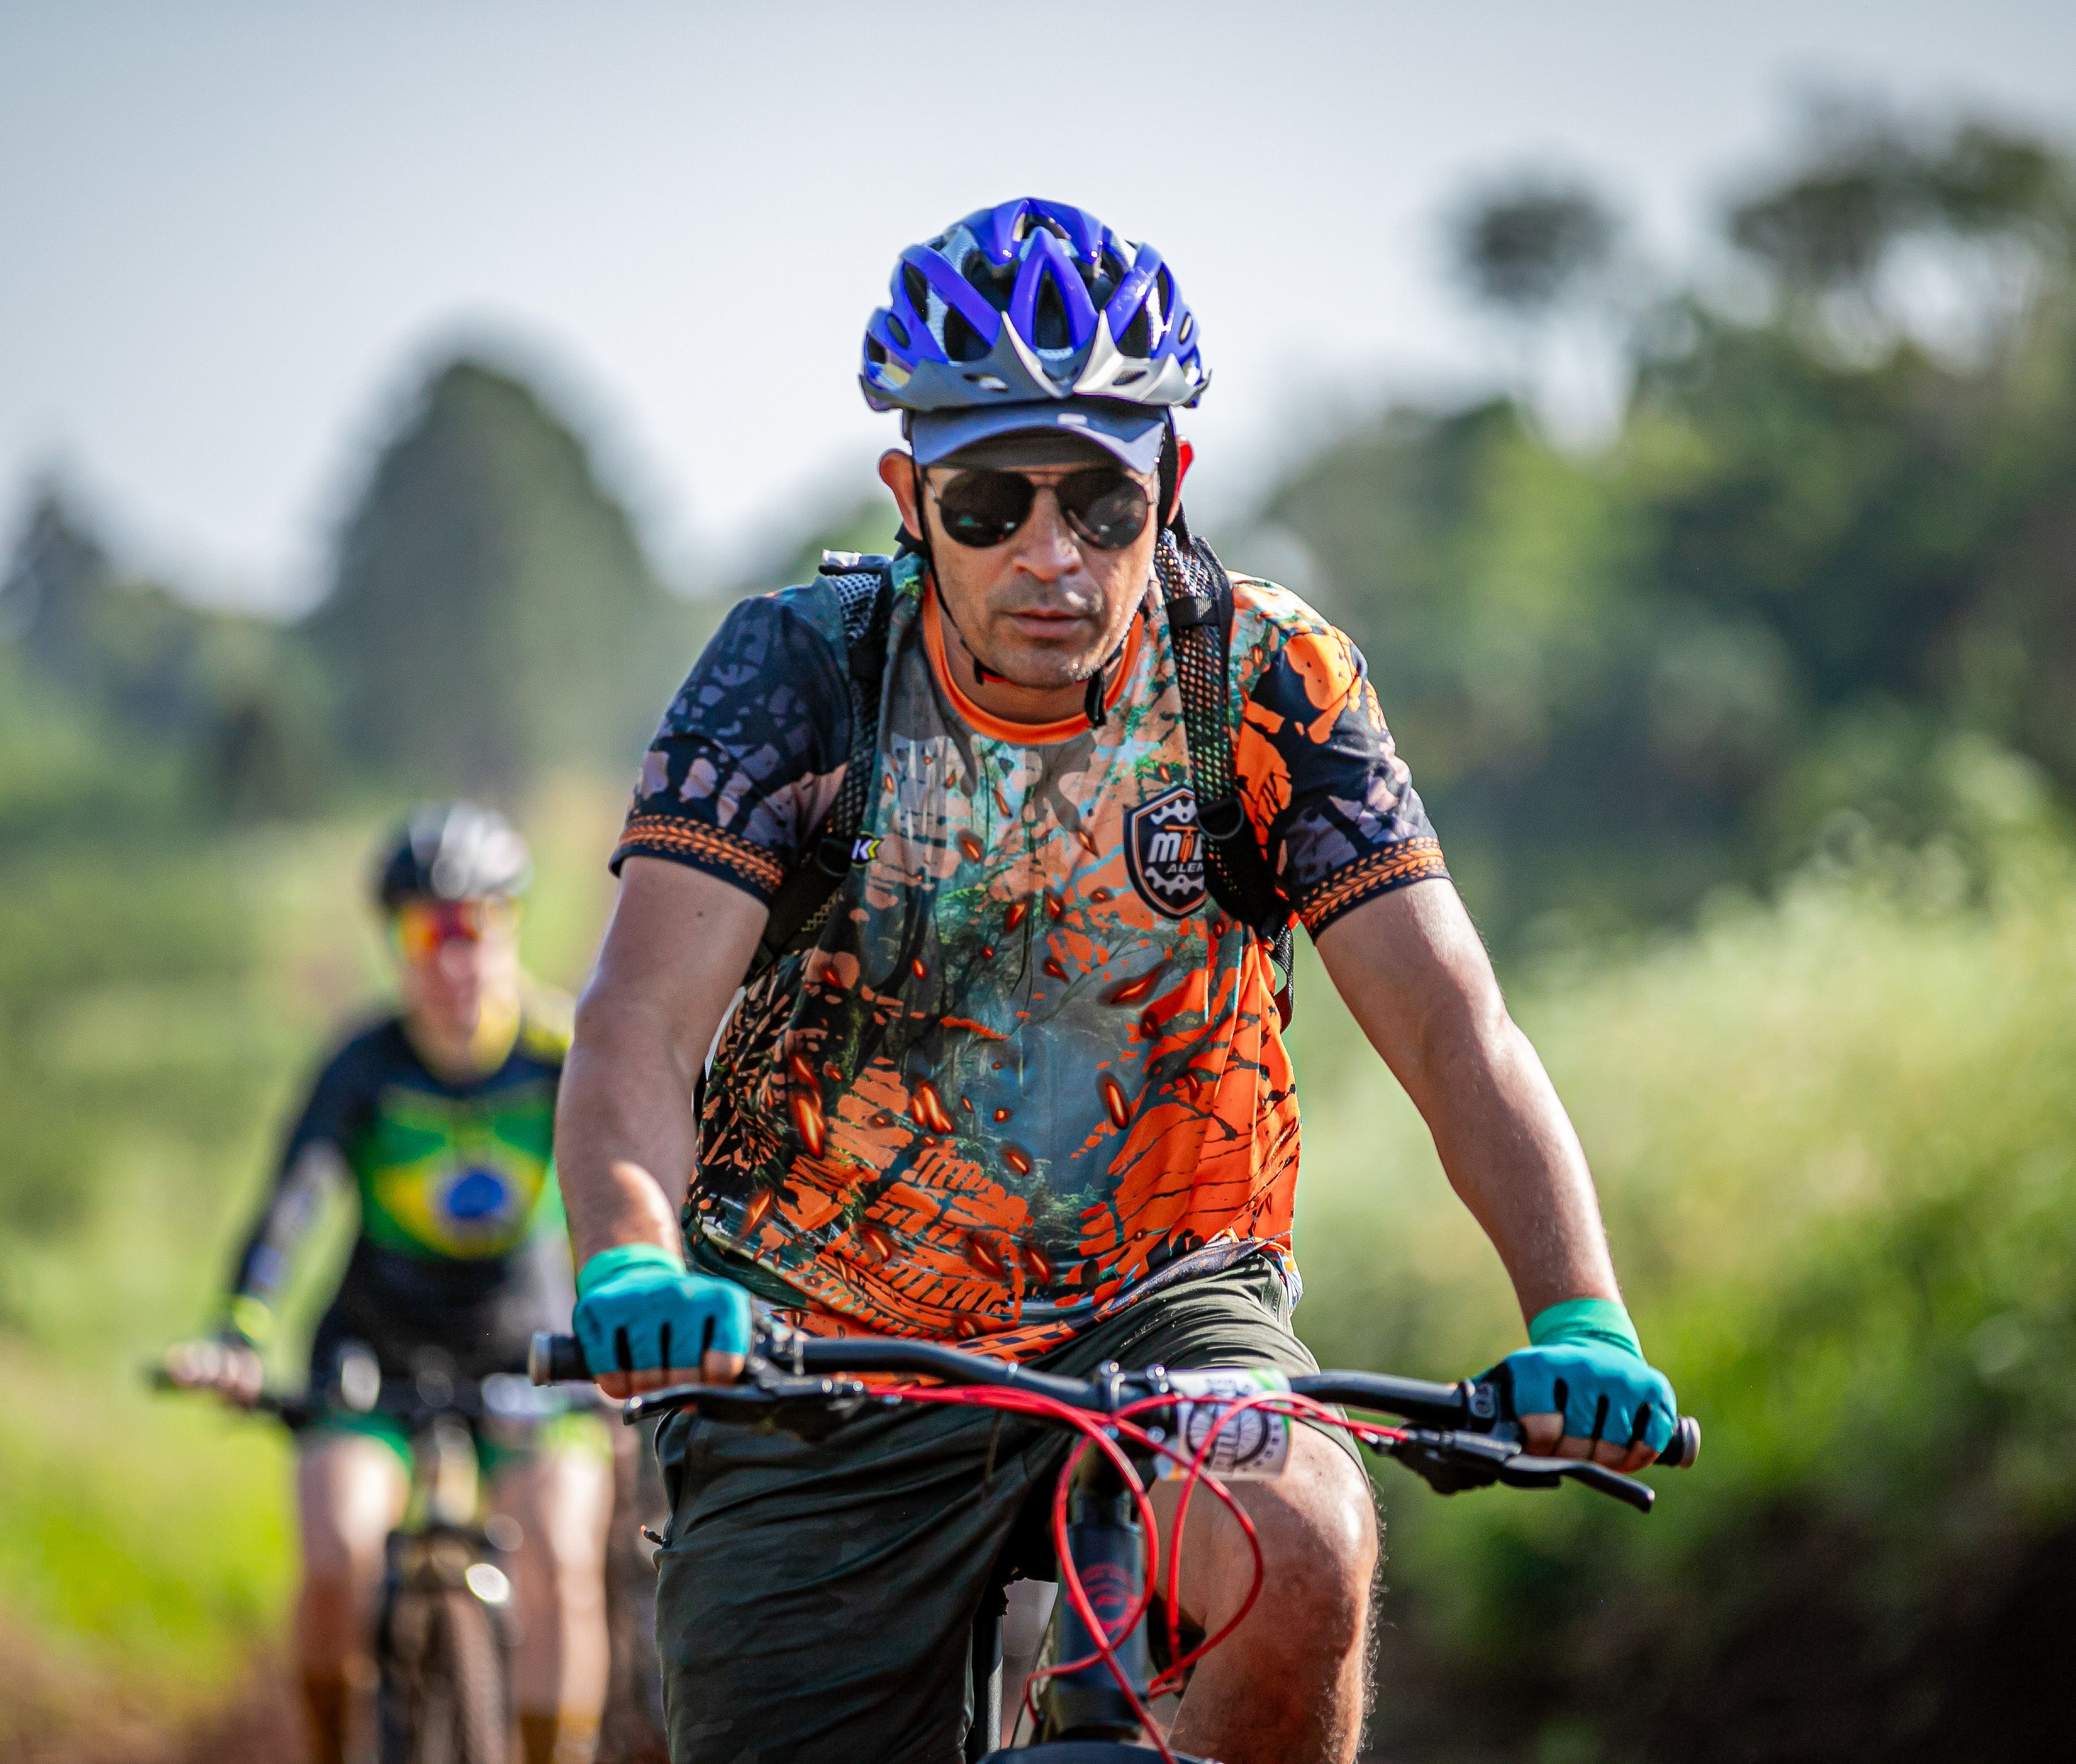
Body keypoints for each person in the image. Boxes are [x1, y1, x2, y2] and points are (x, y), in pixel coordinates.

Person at [553, 198, 1680, 1763]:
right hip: (818, 1353)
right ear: (908, 496)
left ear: (1173, 484)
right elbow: (640, 1021)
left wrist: (1582, 1316)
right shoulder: (792, 677)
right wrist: (629, 1266)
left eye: (1099, 500)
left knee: (1303, 1536)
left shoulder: (1265, 682)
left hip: (1171, 1312)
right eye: (988, 502)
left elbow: (1451, 1026)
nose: (1050, 554)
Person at [166, 803, 615, 1764]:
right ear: (397, 946)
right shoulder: (362, 1065)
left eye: (476, 929)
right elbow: (292, 1204)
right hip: (376, 1347)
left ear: (511, 928)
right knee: (337, 1555)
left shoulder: (563, 1052)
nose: (454, 960)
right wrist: (239, 1333)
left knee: (564, 1559)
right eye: (426, 934)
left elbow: (634, 1183)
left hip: (534, 1350)